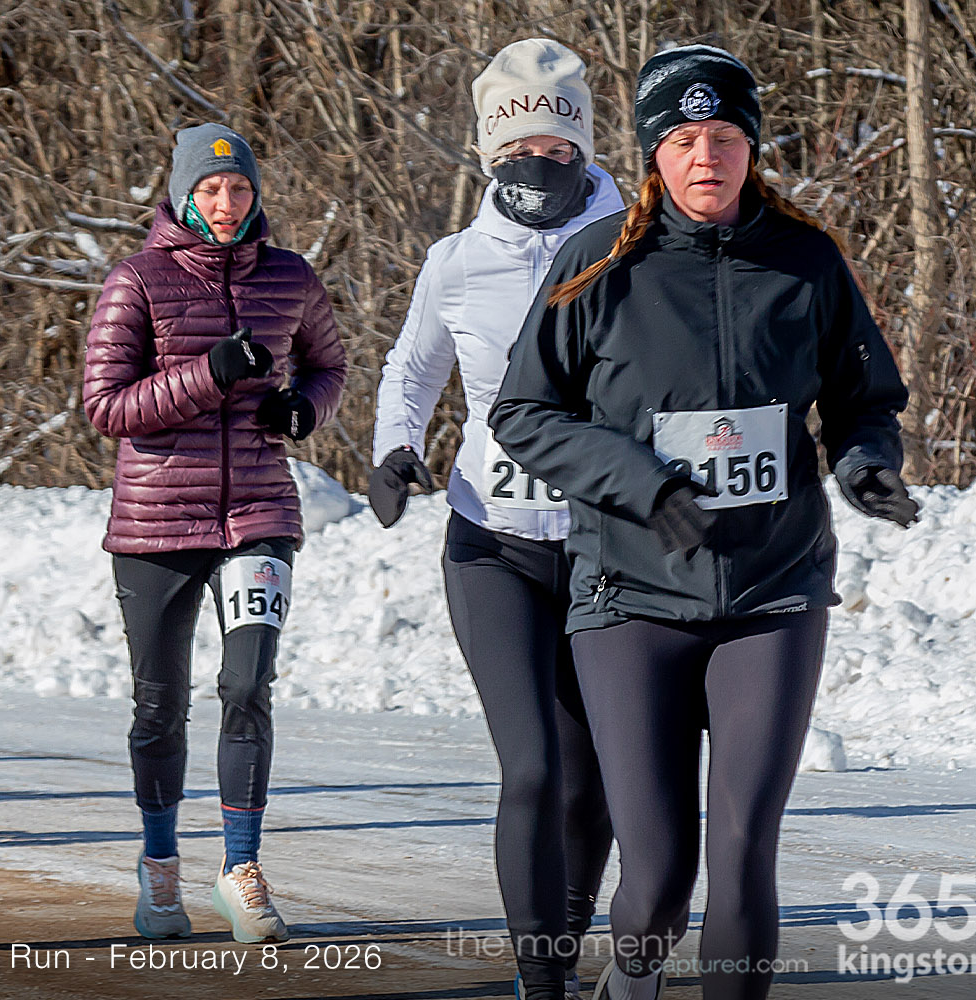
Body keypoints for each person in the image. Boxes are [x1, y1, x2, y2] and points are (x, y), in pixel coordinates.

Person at [488, 46, 917, 1000]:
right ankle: (631, 976)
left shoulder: (805, 261)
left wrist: (864, 463)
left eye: (723, 136)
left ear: (751, 146)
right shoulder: (600, 262)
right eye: (683, 140)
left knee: (745, 848)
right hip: (631, 595)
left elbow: (861, 399)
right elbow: (523, 413)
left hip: (774, 589)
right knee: (658, 880)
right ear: (653, 154)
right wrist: (640, 482)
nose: (705, 157)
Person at [370, 39, 622, 1000]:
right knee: (532, 769)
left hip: (607, 547)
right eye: (519, 153)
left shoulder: (635, 244)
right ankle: (540, 980)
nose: (539, 169)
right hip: (492, 545)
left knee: (591, 780)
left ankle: (563, 942)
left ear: (584, 150)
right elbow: (411, 370)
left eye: (558, 152)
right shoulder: (457, 262)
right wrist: (395, 449)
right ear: (488, 156)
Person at [83, 123, 347, 944]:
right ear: (182, 195)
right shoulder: (137, 281)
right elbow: (106, 407)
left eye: (238, 188)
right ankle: (160, 864)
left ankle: (240, 867)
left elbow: (330, 365)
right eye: (209, 189)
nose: (226, 202)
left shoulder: (290, 277)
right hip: (157, 522)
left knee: (246, 684)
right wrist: (210, 375)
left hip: (260, 514)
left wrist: (304, 409)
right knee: (160, 706)